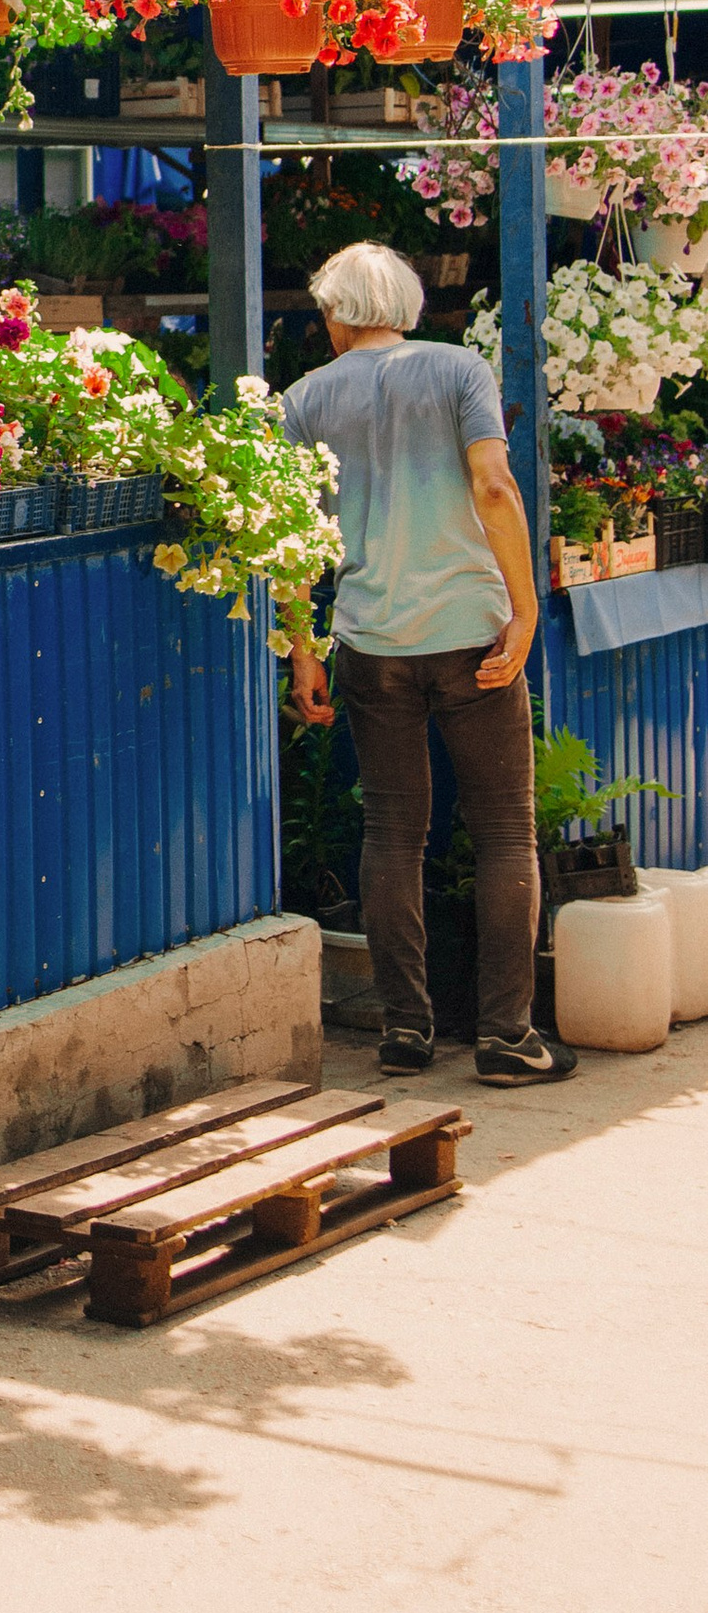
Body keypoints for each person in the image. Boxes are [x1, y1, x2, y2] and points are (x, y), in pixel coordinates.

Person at [283, 241, 575, 1086]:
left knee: (392, 833)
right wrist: (522, 613)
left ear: (337, 315)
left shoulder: (303, 400)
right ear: (406, 303)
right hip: (474, 638)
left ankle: (405, 1030)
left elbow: (296, 535)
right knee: (502, 834)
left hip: (372, 643)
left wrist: (305, 649)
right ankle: (506, 1040)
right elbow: (493, 486)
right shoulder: (459, 370)